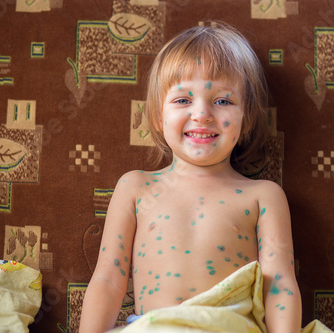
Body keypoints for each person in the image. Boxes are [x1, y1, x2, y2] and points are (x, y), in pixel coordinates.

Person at [79, 22, 302, 333]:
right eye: (183, 100)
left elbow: (279, 284)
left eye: (223, 101)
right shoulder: (136, 187)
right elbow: (107, 278)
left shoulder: (263, 195)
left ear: (247, 117)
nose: (202, 114)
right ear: (159, 115)